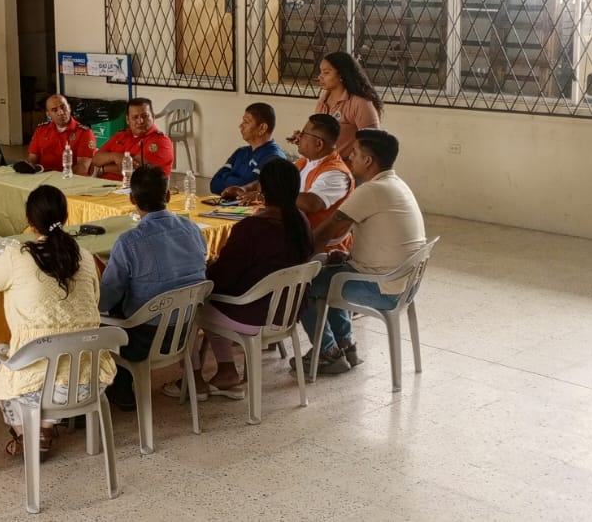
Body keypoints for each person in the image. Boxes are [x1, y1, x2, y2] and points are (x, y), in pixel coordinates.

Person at [0, 185, 113, 455]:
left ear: (30, 221)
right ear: (66, 216)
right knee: (55, 350)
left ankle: (26, 433)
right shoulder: (85, 257)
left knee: (0, 356)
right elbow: (94, 301)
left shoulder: (18, 257)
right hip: (90, 381)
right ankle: (46, 427)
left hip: (38, 387)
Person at [166, 158, 313, 401]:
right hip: (287, 312)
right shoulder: (301, 221)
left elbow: (223, 279)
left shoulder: (252, 228)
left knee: (191, 305)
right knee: (215, 301)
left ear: (262, 189)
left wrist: (210, 266)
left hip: (253, 314)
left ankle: (194, 381)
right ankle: (227, 373)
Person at [300, 129, 427, 376]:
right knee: (332, 271)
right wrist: (349, 257)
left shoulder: (371, 190)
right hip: (405, 284)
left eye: (355, 153)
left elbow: (328, 231)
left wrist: (296, 259)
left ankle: (327, 353)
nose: (349, 157)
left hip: (383, 288)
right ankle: (345, 346)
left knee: (302, 285)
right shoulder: (396, 184)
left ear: (368, 160)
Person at [97, 164, 207, 411]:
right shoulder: (193, 229)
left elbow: (105, 300)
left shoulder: (129, 242)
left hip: (144, 341)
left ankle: (119, 388)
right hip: (187, 331)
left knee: (106, 312)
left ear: (131, 199)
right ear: (168, 195)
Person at [222, 114, 352, 255]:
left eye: (303, 134)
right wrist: (244, 188)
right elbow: (275, 180)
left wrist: (266, 195)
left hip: (315, 247)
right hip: (290, 236)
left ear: (319, 144)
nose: (298, 137)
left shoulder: (336, 174)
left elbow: (311, 203)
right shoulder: (305, 162)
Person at [313, 51, 383, 162]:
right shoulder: (323, 98)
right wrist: (304, 138)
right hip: (322, 164)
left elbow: (373, 144)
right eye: (321, 72)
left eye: (326, 73)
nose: (320, 77)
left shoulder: (360, 103)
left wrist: (350, 164)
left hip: (347, 168)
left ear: (341, 75)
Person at [209, 102, 287, 195]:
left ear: (262, 128)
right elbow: (214, 184)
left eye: (246, 122)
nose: (240, 126)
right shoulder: (240, 152)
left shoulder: (274, 158)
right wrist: (237, 183)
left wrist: (228, 178)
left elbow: (249, 188)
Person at [89, 98, 174, 180]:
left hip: (136, 188)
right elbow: (96, 159)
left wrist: (103, 168)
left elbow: (136, 169)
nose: (140, 121)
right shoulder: (120, 135)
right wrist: (115, 156)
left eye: (145, 116)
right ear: (127, 120)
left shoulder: (161, 141)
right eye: (135, 117)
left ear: (153, 117)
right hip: (103, 185)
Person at [23, 94, 96, 175]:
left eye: (63, 107)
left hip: (68, 178)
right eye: (54, 110)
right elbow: (32, 159)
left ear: (69, 108)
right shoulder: (41, 130)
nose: (60, 112)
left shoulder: (84, 133)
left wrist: (57, 177)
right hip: (42, 176)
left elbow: (82, 168)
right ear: (48, 114)